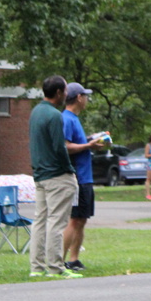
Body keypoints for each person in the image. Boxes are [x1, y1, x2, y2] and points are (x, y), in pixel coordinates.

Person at [29, 76, 83, 279]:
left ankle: (36, 267)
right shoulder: (54, 115)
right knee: (57, 222)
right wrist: (69, 169)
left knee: (40, 221)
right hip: (57, 175)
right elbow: (59, 148)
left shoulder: (36, 112)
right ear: (59, 93)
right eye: (66, 90)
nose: (67, 94)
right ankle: (55, 267)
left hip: (40, 175)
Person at [62, 82, 103, 272]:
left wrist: (89, 140)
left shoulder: (74, 119)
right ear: (79, 98)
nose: (87, 99)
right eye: (85, 96)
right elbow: (65, 146)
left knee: (81, 219)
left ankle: (74, 260)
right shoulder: (66, 119)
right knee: (74, 220)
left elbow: (76, 143)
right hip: (77, 177)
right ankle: (59, 261)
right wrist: (89, 145)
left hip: (85, 177)